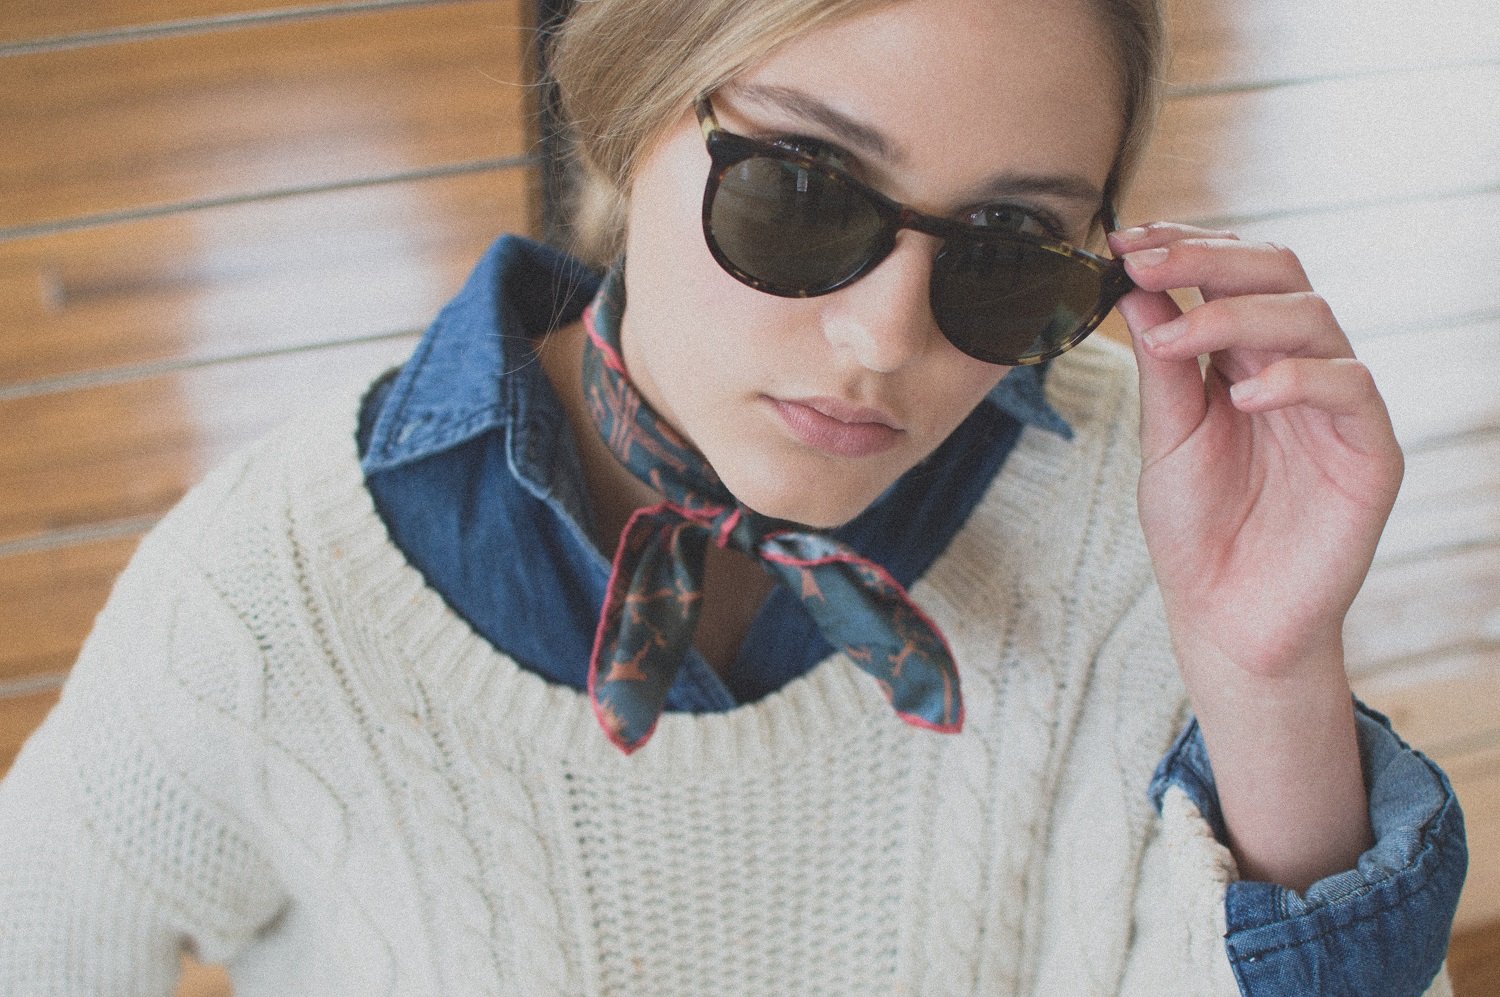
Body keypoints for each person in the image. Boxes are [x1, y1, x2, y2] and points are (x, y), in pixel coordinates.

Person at [0, 0, 1466, 993]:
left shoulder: (1135, 522)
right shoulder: (280, 595)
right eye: (803, 189)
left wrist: (1270, 677)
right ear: (623, 106)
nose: (885, 340)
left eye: (1012, 246)